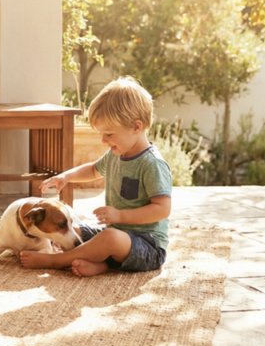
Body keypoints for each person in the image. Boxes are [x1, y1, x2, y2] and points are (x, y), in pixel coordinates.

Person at [23, 77, 172, 277]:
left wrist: (120, 216)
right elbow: (93, 170)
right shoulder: (115, 154)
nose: (103, 140)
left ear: (136, 127)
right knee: (72, 230)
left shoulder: (152, 164)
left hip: (147, 246)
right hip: (117, 236)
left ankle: (57, 261)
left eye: (109, 134)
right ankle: (102, 264)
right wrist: (66, 176)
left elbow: (162, 209)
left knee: (109, 238)